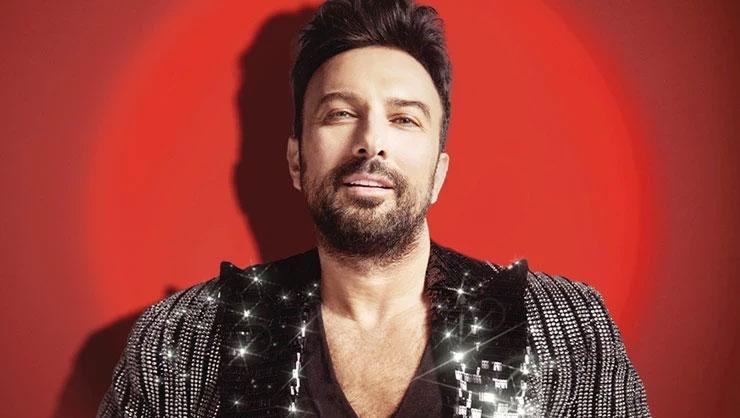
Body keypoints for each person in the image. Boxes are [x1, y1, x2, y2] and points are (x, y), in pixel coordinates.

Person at [97, 0, 650, 417]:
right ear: (296, 160)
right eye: (340, 113)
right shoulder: (182, 340)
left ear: (438, 173)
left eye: (404, 118)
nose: (371, 143)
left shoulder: (569, 334)